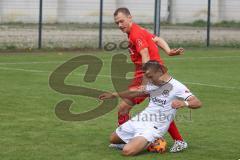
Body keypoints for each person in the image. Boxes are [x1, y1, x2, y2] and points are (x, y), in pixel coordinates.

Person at [113, 7, 186, 152]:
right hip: (146, 75)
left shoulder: (136, 34)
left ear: (130, 18)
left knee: (125, 108)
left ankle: (178, 141)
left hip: (153, 77)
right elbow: (157, 39)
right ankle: (128, 138)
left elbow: (145, 55)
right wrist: (169, 51)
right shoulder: (139, 31)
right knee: (156, 110)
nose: (120, 25)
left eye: (121, 21)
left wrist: (145, 83)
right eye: (117, 23)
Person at [99, 60, 202, 156]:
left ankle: (151, 141)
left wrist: (184, 103)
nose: (148, 80)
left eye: (150, 76)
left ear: (160, 71)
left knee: (127, 151)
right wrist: (114, 94)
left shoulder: (177, 86)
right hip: (141, 119)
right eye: (147, 77)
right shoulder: (153, 83)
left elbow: (197, 102)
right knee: (112, 139)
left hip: (154, 127)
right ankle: (139, 140)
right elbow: (135, 92)